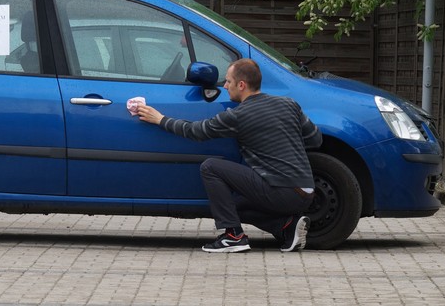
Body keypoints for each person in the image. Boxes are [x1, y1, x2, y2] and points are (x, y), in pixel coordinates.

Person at [137, 58, 322, 253]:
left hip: (282, 192)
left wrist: (160, 119)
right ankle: (287, 227)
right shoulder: (289, 104)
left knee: (211, 167)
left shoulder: (238, 115)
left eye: (228, 81)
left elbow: (195, 131)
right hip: (307, 192)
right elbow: (315, 139)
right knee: (231, 206)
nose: (224, 86)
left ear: (241, 85)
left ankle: (233, 237)